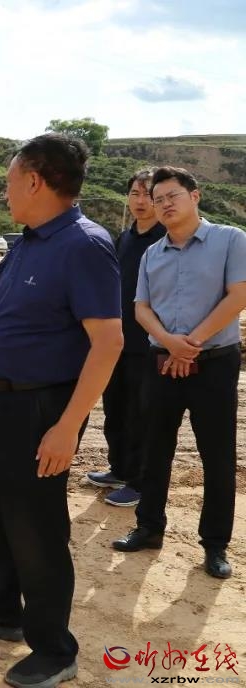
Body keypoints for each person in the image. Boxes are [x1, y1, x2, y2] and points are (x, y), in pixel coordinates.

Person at [0, 133, 122, 688]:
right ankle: (1, 609)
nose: (5, 191)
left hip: (42, 407)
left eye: (9, 181)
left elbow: (108, 343)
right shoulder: (28, 242)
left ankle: (55, 648)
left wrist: (67, 427)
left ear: (35, 181)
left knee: (36, 526)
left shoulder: (84, 245)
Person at [111, 166, 246, 580]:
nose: (164, 204)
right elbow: (141, 308)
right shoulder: (152, 253)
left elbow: (238, 295)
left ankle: (215, 544)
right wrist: (171, 343)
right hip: (161, 361)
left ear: (195, 196)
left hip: (214, 363)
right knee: (154, 449)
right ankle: (149, 528)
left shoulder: (230, 239)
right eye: (158, 199)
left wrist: (191, 343)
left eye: (172, 196)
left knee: (217, 456)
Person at [86, 169, 165, 507]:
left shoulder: (166, 240)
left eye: (148, 194)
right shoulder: (124, 238)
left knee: (140, 415)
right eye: (135, 193)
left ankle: (139, 482)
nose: (140, 201)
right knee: (114, 409)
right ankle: (119, 469)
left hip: (147, 344)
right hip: (116, 341)